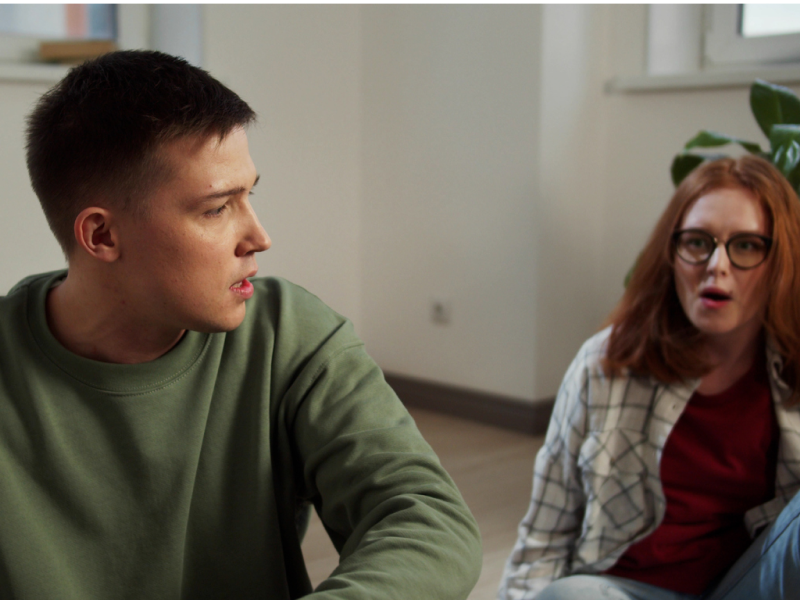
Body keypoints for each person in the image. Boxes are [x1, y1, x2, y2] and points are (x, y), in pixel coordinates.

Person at [0, 50, 482, 599]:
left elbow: (426, 519)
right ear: (103, 236)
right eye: (215, 208)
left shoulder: (288, 333)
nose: (259, 236)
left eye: (248, 195)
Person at [498, 156, 800, 600]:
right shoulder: (603, 365)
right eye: (698, 242)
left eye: (747, 246)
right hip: (624, 591)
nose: (716, 265)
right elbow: (544, 538)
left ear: (781, 262)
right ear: (671, 254)